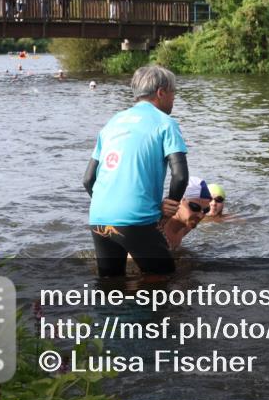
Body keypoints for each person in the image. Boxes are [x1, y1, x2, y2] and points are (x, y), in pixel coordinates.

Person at [82, 65, 202, 277]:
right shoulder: (165, 123)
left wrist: (108, 204)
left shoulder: (112, 122)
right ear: (161, 92)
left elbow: (88, 179)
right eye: (173, 92)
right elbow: (180, 175)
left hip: (99, 216)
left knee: (110, 285)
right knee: (164, 281)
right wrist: (169, 208)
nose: (174, 99)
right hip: (136, 218)